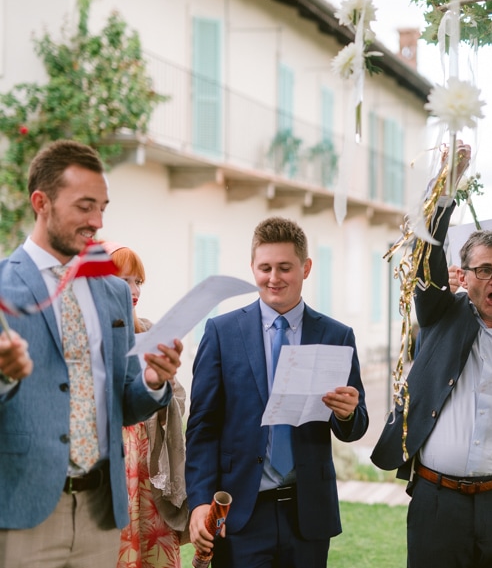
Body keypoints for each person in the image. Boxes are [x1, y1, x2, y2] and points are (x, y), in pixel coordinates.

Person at [0, 140, 183, 568]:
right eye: (85, 206)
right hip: (21, 513)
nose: (97, 221)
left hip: (103, 514)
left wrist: (153, 382)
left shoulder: (115, 292)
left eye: (102, 207)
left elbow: (125, 401)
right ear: (41, 202)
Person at [370, 177, 492, 568]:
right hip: (438, 502)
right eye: (484, 270)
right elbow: (426, 259)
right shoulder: (440, 316)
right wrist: (446, 190)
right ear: (463, 275)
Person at [185, 216, 368, 568]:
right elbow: (202, 428)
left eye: (285, 267)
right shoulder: (221, 333)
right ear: (252, 267)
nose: (274, 278)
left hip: (308, 513)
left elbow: (355, 424)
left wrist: (346, 413)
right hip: (240, 514)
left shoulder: (337, 335)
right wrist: (199, 502)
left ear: (306, 268)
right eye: (265, 267)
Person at [105, 243, 187, 568]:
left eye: (138, 281)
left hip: (150, 460)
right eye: (126, 281)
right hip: (115, 460)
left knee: (154, 546)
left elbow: (179, 395)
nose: (135, 290)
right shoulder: (92, 334)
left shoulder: (150, 331)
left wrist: (159, 385)